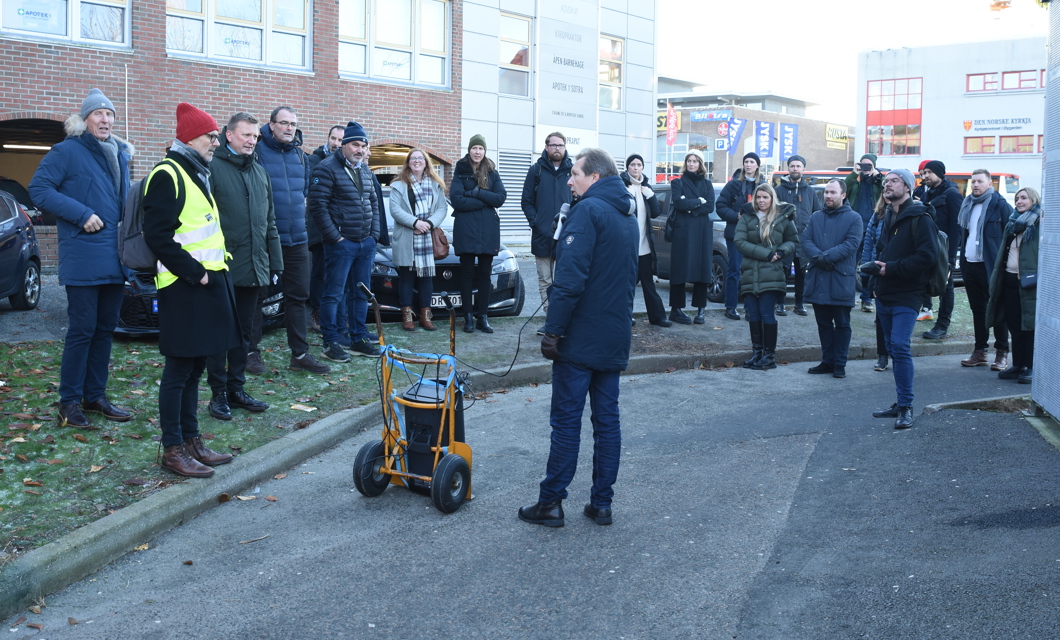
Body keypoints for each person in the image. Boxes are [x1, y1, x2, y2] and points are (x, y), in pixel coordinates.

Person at [518, 148, 638, 528]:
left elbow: (569, 282)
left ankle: (550, 502)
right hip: (614, 334)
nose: (570, 181)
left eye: (576, 174)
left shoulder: (589, 211)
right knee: (607, 422)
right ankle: (601, 503)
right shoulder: (627, 215)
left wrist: (553, 331)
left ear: (595, 177)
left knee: (567, 422)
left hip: (581, 337)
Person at [142, 102, 240, 477]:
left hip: (207, 284)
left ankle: (191, 440)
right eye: (210, 136)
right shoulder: (168, 173)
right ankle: (173, 449)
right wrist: (195, 273)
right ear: (190, 138)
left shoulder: (195, 171)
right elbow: (158, 236)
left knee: (197, 366)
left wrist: (210, 275)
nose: (215, 142)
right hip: (186, 287)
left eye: (216, 136)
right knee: (179, 370)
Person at [29, 88, 134, 428]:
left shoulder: (120, 152)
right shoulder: (67, 151)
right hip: (84, 254)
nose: (105, 119)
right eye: (98, 114)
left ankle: (95, 396)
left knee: (105, 330)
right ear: (85, 119)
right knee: (82, 330)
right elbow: (39, 189)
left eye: (109, 114)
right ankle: (69, 401)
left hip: (114, 256)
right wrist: (80, 213)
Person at [203, 112, 282, 421]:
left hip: (254, 267)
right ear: (229, 135)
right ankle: (218, 393)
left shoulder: (260, 173)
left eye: (254, 136)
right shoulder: (212, 169)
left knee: (244, 335)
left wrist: (275, 263)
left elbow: (270, 222)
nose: (251, 140)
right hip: (221, 268)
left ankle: (236, 388)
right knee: (219, 336)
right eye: (246, 135)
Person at [256, 106, 330, 374]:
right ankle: (250, 352)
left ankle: (299, 354)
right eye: (283, 123)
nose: (289, 128)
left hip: (297, 239)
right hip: (265, 240)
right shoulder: (257, 151)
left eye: (293, 124)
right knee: (256, 297)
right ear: (271, 124)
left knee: (298, 297)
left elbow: (305, 193)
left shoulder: (301, 156)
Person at [308, 121, 387, 361]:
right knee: (333, 294)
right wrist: (336, 238)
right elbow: (317, 207)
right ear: (343, 145)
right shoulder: (326, 168)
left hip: (365, 243)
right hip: (341, 245)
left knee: (361, 293)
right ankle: (331, 342)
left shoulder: (364, 170)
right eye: (355, 144)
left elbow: (374, 202)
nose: (360, 149)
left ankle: (358, 339)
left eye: (363, 145)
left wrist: (373, 236)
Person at [869, 169, 937, 429]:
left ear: (907, 187)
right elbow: (881, 252)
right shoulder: (888, 216)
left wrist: (891, 269)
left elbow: (927, 256)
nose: (887, 185)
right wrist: (876, 281)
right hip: (884, 292)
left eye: (893, 181)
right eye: (886, 181)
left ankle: (907, 406)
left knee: (899, 346)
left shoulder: (921, 217)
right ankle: (900, 402)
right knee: (891, 347)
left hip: (908, 294)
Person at [801, 180, 863, 378]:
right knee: (824, 324)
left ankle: (840, 363)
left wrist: (826, 257)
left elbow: (852, 243)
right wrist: (820, 258)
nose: (828, 196)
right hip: (819, 277)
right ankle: (827, 361)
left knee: (842, 323)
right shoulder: (816, 217)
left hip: (840, 279)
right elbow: (805, 240)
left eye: (833, 192)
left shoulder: (854, 218)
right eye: (826, 192)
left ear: (843, 195)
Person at [734, 183, 798, 370]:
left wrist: (780, 252)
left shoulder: (783, 217)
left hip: (772, 272)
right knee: (752, 314)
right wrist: (766, 254)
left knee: (766, 313)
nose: (761, 201)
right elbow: (739, 242)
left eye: (765, 197)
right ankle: (757, 353)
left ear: (772, 198)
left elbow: (793, 241)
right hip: (750, 271)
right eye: (758, 197)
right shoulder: (746, 217)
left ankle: (769, 356)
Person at [450, 135, 506, 334]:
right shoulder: (460, 169)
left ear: (484, 151)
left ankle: (482, 317)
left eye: (480, 148)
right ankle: (468, 318)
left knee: (484, 275)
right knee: (466, 275)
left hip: (487, 230)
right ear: (469, 150)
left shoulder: (492, 171)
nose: (477, 152)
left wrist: (475, 193)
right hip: (466, 230)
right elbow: (456, 200)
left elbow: (500, 198)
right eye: (474, 148)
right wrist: (485, 201)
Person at [958, 169, 1012, 371]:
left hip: (991, 267)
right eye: (973, 182)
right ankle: (980, 351)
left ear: (990, 184)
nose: (975, 185)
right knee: (977, 310)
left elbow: (1010, 238)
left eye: (980, 181)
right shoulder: (967, 205)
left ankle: (1002, 352)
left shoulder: (1000, 206)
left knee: (997, 309)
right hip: (970, 264)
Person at [986, 187, 1040, 385]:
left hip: (1030, 283)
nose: (1019, 201)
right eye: (1017, 198)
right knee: (1015, 325)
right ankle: (1018, 364)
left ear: (1033, 200)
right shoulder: (1012, 224)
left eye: (1024, 198)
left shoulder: (1039, 224)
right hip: (1009, 280)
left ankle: (1032, 366)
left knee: (1029, 326)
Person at [389, 149, 447, 331]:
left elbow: (442, 209)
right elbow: (395, 210)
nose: (416, 161)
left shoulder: (436, 184)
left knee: (426, 278)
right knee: (406, 278)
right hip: (407, 236)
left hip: (427, 237)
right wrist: (415, 223)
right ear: (408, 163)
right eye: (412, 158)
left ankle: (425, 317)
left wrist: (428, 224)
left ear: (426, 162)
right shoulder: (399, 185)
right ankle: (407, 317)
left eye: (419, 158)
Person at [521, 131, 573, 332]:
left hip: (568, 236)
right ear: (546, 147)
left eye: (560, 145)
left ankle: (564, 320)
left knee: (565, 281)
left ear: (565, 147)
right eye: (553, 145)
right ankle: (551, 321)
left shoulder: (574, 171)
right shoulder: (536, 170)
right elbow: (526, 201)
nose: (557, 148)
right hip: (542, 234)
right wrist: (537, 222)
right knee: (545, 281)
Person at [620, 153, 670, 327]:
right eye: (632, 164)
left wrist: (650, 195)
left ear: (642, 167)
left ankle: (658, 317)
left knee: (648, 282)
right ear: (627, 168)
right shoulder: (621, 186)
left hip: (644, 245)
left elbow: (655, 212)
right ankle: (625, 315)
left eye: (638, 165)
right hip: (627, 245)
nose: (635, 167)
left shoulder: (646, 187)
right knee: (627, 283)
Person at [666, 150, 715, 325]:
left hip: (702, 231)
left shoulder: (708, 184)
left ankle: (701, 309)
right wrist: (697, 202)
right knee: (679, 268)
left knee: (702, 268)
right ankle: (676, 309)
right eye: (689, 161)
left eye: (695, 161)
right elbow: (678, 203)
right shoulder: (677, 182)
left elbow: (710, 206)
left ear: (701, 164)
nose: (691, 164)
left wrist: (690, 207)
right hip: (683, 231)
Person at [306, 124, 346, 332]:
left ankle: (336, 317)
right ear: (327, 138)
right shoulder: (314, 161)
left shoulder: (346, 164)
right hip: (319, 228)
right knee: (319, 273)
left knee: (337, 275)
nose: (336, 144)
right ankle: (317, 313)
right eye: (333, 138)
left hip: (340, 230)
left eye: (340, 140)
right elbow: (315, 197)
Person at [717, 152, 765, 320]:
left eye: (752, 162)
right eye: (746, 161)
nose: (748, 164)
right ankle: (731, 307)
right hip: (736, 234)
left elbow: (772, 206)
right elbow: (720, 205)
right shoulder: (734, 185)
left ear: (757, 165)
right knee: (734, 270)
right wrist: (735, 215)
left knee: (753, 272)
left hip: (757, 236)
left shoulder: (763, 185)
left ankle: (750, 309)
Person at [919, 160, 964, 340]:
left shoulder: (952, 194)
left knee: (946, 287)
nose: (925, 176)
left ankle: (942, 325)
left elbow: (957, 228)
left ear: (939, 173)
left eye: (929, 172)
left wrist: (950, 258)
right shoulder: (927, 194)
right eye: (923, 173)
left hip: (943, 251)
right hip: (926, 248)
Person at [775, 154, 822, 316]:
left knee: (802, 273)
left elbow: (817, 214)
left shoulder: (810, 191)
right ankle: (779, 303)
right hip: (784, 239)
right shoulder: (778, 191)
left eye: (798, 166)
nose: (795, 169)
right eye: (792, 166)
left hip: (804, 240)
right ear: (788, 168)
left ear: (803, 169)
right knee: (783, 272)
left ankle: (799, 303)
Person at [845, 154, 883, 313]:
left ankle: (866, 299)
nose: (865, 168)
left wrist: (878, 176)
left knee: (868, 262)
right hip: (854, 226)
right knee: (849, 262)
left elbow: (886, 192)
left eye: (869, 165)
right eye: (863, 165)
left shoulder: (878, 181)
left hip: (872, 226)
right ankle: (847, 297)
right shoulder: (855, 181)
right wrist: (854, 173)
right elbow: (844, 189)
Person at [861, 194, 891, 372]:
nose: (888, 191)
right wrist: (866, 268)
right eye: (885, 187)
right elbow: (868, 242)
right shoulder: (878, 214)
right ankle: (883, 355)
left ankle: (897, 352)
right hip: (877, 270)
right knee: (881, 318)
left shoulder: (910, 212)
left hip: (900, 272)